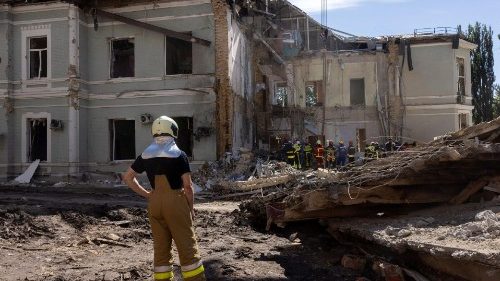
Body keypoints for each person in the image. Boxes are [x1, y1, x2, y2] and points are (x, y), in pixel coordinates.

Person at [122, 116, 206, 281]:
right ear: (173, 131)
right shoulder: (179, 155)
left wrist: (147, 195)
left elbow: (128, 178)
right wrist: (190, 208)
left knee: (161, 250)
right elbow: (188, 187)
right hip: (175, 203)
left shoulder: (145, 155)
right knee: (187, 248)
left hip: (155, 204)